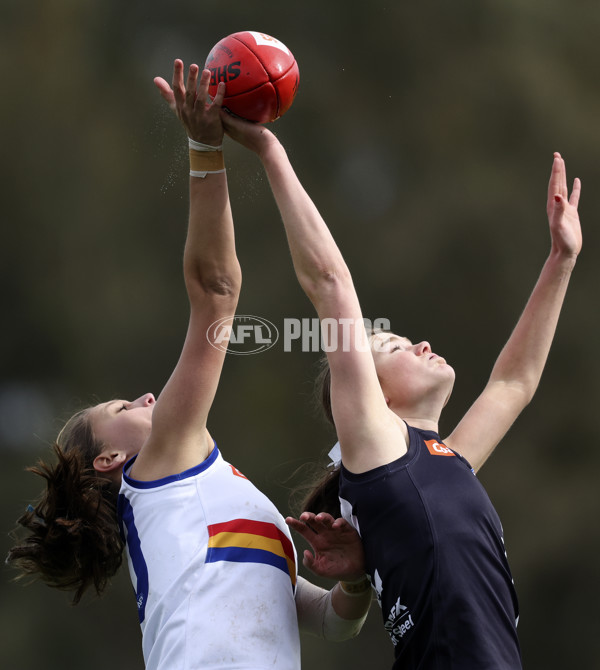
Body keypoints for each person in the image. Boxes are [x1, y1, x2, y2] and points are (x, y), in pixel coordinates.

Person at [7, 60, 373, 670]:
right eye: (123, 407)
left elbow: (331, 622)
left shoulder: (216, 495)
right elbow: (216, 291)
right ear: (109, 462)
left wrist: (356, 580)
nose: (146, 397)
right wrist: (205, 149)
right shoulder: (157, 471)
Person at [221, 111, 582, 669]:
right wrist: (271, 151)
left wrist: (561, 259)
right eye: (393, 347)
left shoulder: (446, 460)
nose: (418, 345)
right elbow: (329, 283)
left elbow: (515, 380)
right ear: (373, 398)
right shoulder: (378, 450)